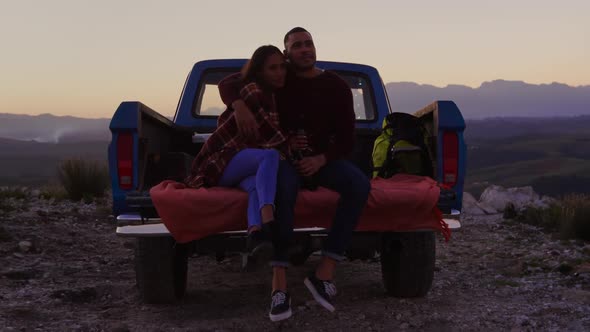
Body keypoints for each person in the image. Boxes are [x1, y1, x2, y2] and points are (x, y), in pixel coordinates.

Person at [219, 27, 371, 321]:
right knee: (283, 189)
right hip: (284, 158)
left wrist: (321, 158)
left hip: (323, 160)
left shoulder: (336, 86)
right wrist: (238, 104)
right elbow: (228, 83)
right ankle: (279, 286)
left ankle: (324, 272)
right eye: (297, 45)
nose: (305, 49)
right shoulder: (280, 77)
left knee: (359, 184)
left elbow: (347, 138)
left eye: (308, 43)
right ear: (287, 52)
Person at [185, 45, 289, 260]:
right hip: (222, 161)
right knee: (270, 156)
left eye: (282, 67)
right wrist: (240, 106)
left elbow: (274, 134)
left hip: (243, 166)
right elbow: (227, 82)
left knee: (254, 186)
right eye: (273, 68)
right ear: (260, 72)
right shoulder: (251, 90)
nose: (280, 72)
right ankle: (269, 221)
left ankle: (255, 235)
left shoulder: (277, 97)